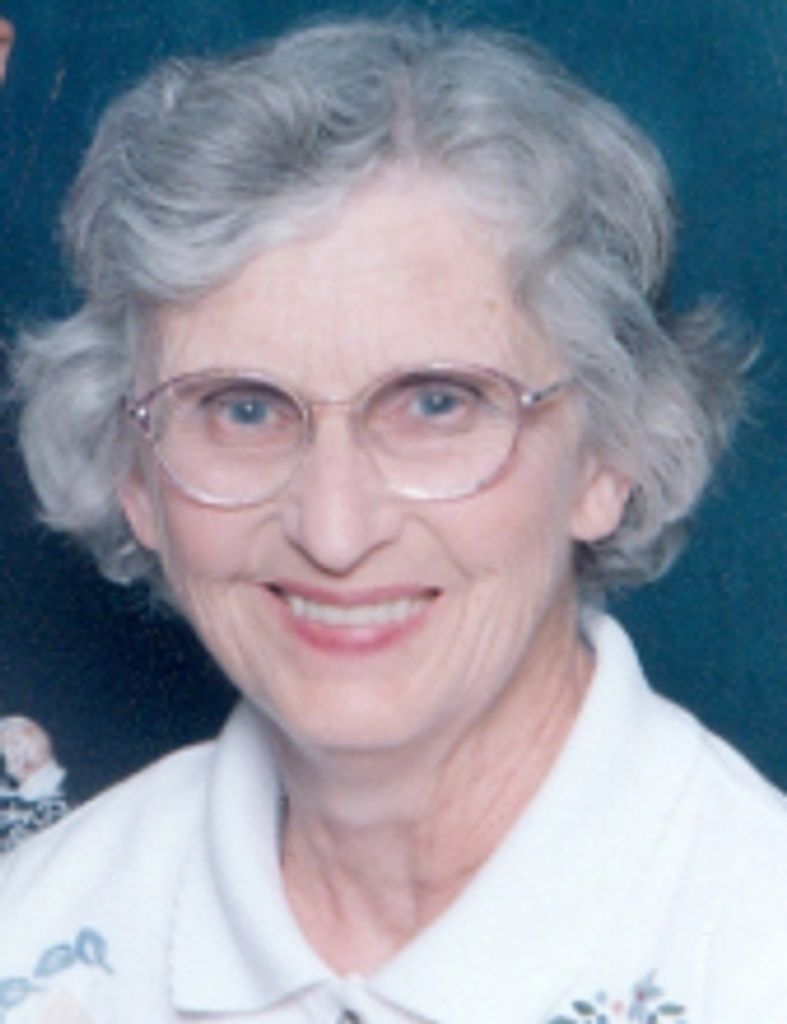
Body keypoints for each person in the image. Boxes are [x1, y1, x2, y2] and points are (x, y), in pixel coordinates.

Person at [1, 16, 785, 1022]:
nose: (334, 531)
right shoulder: (35, 937)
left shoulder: (753, 947)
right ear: (134, 475)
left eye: (436, 403)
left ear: (611, 452)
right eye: (243, 410)